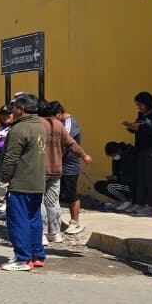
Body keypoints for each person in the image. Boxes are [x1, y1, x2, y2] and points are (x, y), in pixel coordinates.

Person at [0, 94, 46, 271]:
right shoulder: (40, 126)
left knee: (18, 220)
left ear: (21, 109)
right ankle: (36, 255)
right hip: (37, 181)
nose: (12, 111)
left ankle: (22, 258)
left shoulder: (19, 129)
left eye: (15, 107)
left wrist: (3, 179)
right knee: (34, 219)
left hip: (21, 181)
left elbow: (11, 158)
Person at [39, 102, 91, 244]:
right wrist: (84, 155)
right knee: (53, 201)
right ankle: (55, 233)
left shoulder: (38, 124)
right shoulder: (59, 125)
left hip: (43, 169)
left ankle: (42, 234)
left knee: (40, 202)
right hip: (57, 168)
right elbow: (72, 143)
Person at [50, 102, 87, 234]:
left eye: (54, 117)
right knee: (55, 194)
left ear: (59, 114)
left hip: (69, 165)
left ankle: (75, 222)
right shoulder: (58, 123)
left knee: (71, 194)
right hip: (58, 163)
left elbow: (66, 142)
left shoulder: (70, 124)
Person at [124, 91, 152, 215]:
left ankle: (149, 205)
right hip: (141, 149)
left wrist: (140, 127)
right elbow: (138, 127)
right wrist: (131, 127)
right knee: (140, 178)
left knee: (150, 179)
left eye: (140, 105)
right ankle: (139, 203)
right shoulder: (141, 115)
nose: (139, 108)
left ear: (147, 103)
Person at [94, 142, 137, 210]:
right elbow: (115, 173)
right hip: (120, 182)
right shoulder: (116, 159)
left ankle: (127, 200)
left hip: (130, 186)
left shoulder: (129, 157)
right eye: (111, 156)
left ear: (119, 150)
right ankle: (119, 200)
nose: (113, 157)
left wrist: (118, 178)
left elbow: (133, 177)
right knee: (98, 185)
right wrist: (112, 177)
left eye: (113, 155)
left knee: (110, 186)